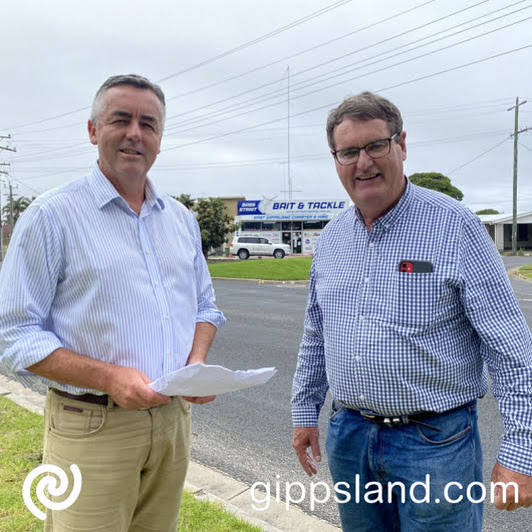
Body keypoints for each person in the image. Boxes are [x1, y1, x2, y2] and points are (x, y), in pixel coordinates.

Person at [291, 91, 532, 531]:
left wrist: (522, 450)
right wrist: (305, 413)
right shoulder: (330, 240)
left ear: (401, 144)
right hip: (350, 437)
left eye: (376, 145)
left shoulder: (455, 226)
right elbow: (316, 335)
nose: (363, 162)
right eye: (349, 151)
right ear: (336, 159)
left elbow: (510, 348)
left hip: (435, 445)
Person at [0, 74, 225, 531]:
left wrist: (196, 362)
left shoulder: (180, 219)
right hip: (91, 425)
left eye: (149, 124)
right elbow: (14, 333)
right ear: (92, 130)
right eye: (120, 119)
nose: (134, 133)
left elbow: (205, 307)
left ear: (160, 139)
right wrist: (109, 376)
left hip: (173, 423)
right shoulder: (51, 216)